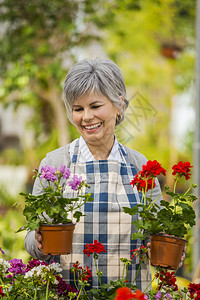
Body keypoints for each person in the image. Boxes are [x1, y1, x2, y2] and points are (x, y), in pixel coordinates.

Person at [24, 58, 180, 291]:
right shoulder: (55, 164)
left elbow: (156, 235)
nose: (86, 117)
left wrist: (166, 245)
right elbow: (31, 235)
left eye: (95, 106)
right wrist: (38, 242)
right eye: (78, 109)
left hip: (128, 295)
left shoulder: (141, 167)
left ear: (119, 105)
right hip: (68, 294)